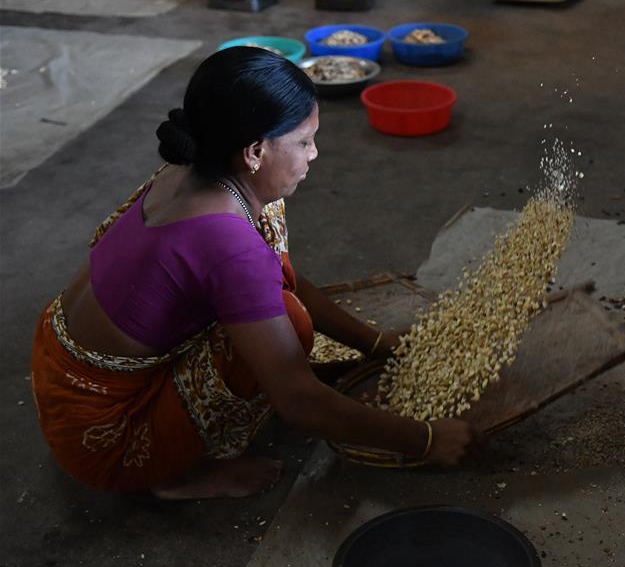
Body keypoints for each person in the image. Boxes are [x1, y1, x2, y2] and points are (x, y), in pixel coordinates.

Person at [30, 47, 481, 499]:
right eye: (305, 141)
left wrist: (374, 342)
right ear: (255, 151)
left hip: (57, 362)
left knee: (270, 243)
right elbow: (298, 399)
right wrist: (425, 439)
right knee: (292, 321)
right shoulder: (228, 243)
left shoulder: (187, 169)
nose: (315, 153)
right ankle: (176, 478)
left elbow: (276, 273)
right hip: (106, 434)